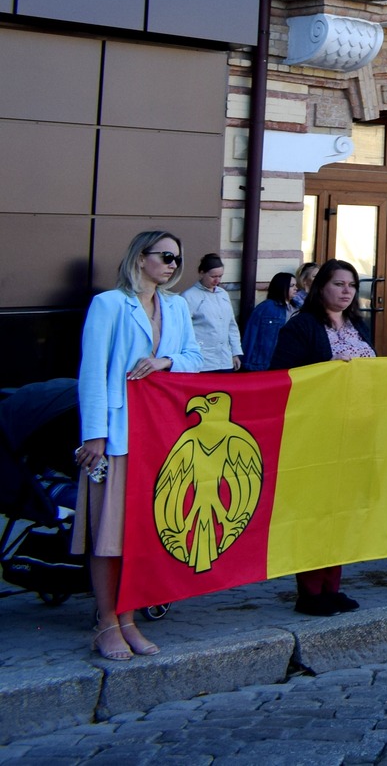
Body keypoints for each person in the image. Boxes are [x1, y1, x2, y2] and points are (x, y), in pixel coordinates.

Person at [74, 230, 202, 659]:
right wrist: (95, 434)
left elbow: (196, 360)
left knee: (142, 534)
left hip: (160, 436)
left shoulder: (178, 306)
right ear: (140, 257)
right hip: (118, 436)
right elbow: (92, 371)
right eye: (165, 256)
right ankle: (107, 621)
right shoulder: (109, 305)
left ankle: (128, 617)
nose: (172, 264)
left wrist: (167, 360)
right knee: (108, 535)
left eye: (177, 259)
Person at [271, 259, 376, 615]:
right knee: (315, 510)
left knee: (341, 510)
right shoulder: (302, 326)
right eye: (338, 284)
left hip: (356, 430)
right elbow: (281, 375)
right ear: (321, 288)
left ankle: (333, 585)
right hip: (317, 431)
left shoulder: (358, 325)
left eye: (351, 285)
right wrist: (330, 371)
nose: (346, 291)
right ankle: (310, 590)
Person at [184, 253, 241, 372]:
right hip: (203, 361)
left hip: (225, 360)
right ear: (201, 273)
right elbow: (183, 330)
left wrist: (235, 353)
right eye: (213, 276)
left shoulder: (223, 294)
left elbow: (231, 326)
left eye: (220, 276)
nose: (217, 280)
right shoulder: (189, 296)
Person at [243, 271, 295, 372]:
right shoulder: (265, 308)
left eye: (295, 285)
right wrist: (245, 361)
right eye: (292, 285)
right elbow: (250, 334)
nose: (296, 288)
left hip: (286, 362)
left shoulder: (296, 308)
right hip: (263, 363)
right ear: (282, 287)